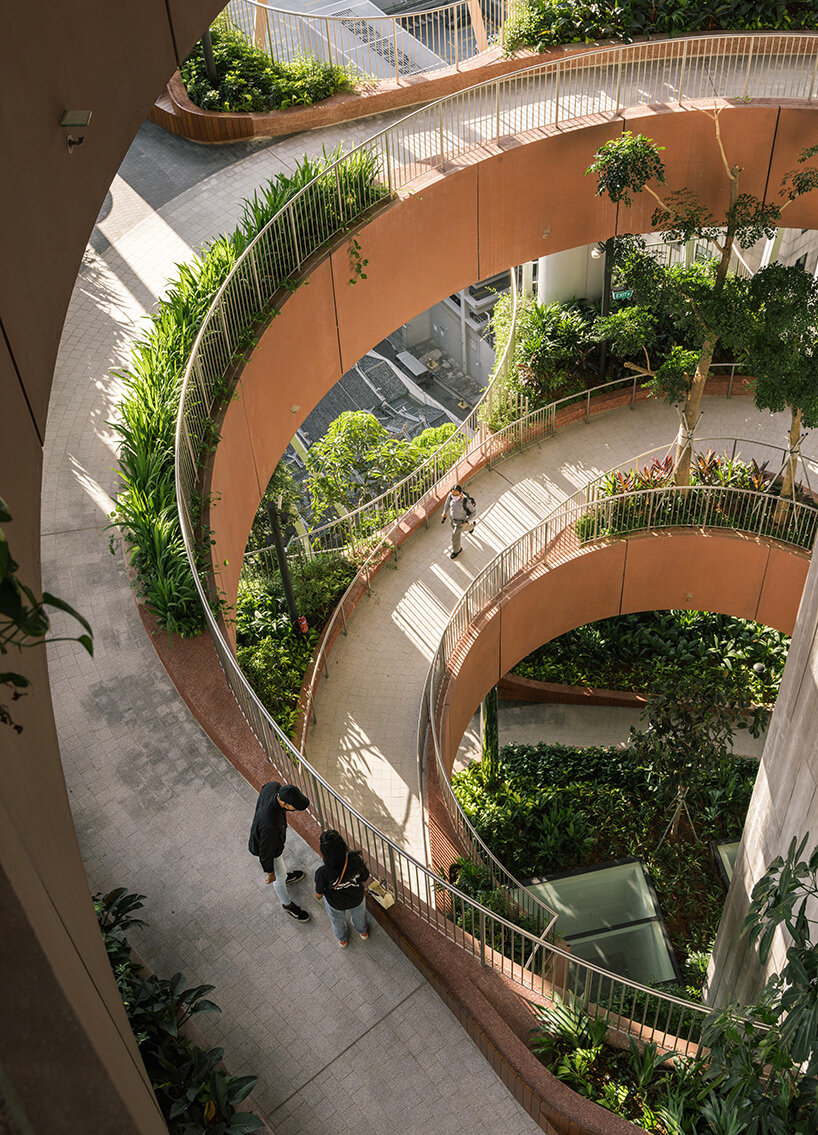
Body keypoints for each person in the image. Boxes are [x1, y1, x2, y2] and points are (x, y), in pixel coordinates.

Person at [249, 781, 311, 922]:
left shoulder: (274, 786)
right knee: (278, 876)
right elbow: (265, 853)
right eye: (294, 808)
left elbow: (264, 787)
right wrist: (270, 873)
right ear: (285, 804)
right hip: (270, 849)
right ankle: (287, 904)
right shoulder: (270, 824)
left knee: (280, 871)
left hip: (271, 841)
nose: (294, 810)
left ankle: (283, 877)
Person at [314, 829, 372, 947]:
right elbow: (365, 877)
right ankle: (363, 932)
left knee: (337, 922)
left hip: (336, 903)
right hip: (356, 898)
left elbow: (319, 895)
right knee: (359, 916)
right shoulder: (355, 860)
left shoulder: (323, 873)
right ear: (342, 845)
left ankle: (342, 940)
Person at [441, 483, 477, 559]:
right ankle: (472, 526)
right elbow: (447, 504)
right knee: (463, 529)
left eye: (456, 495)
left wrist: (467, 521)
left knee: (455, 536)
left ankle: (457, 550)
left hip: (461, 522)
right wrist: (444, 512)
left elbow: (474, 512)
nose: (454, 496)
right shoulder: (451, 495)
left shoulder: (465, 501)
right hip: (452, 519)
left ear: (460, 493)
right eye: (453, 494)